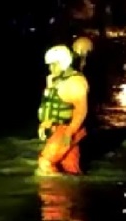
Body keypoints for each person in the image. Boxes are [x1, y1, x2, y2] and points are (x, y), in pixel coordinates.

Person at [36, 45, 89, 176]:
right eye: (50, 65)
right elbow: (49, 103)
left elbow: (81, 110)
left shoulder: (75, 83)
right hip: (58, 128)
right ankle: (70, 193)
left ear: (64, 63)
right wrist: (45, 123)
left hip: (68, 128)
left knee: (45, 162)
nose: (50, 68)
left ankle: (53, 194)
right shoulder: (54, 80)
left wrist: (69, 133)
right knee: (70, 169)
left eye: (54, 65)